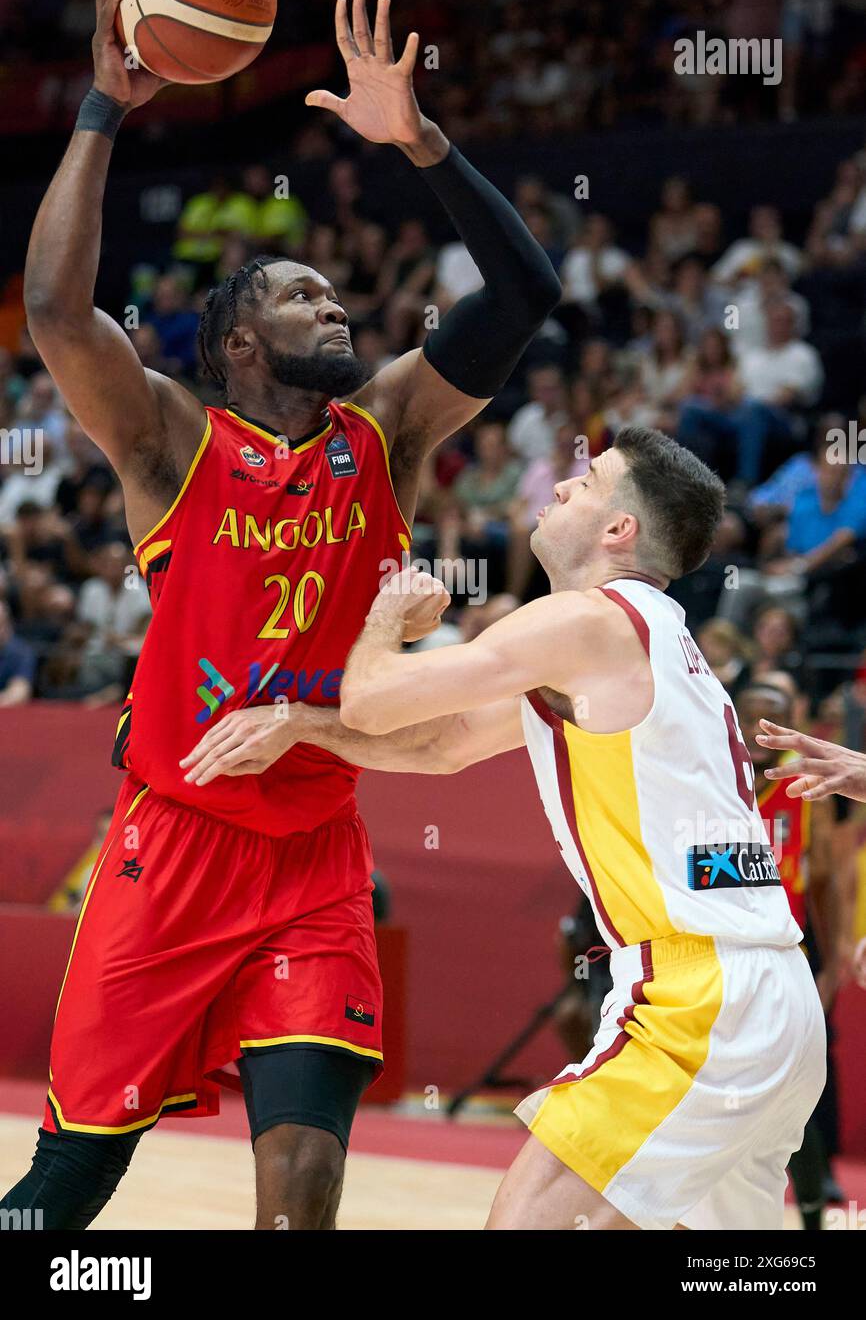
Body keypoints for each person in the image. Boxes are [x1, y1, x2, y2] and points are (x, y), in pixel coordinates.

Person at [1, 0, 560, 1233]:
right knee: (64, 1192)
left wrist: (420, 142)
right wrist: (101, 103)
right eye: (301, 294)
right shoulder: (168, 443)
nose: (336, 304)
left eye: (334, 290)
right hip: (171, 848)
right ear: (239, 341)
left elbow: (526, 296)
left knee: (301, 1201)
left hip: (316, 858)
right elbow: (52, 308)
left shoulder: (388, 434)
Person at [187, 427, 826, 1230]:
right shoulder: (656, 639)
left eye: (587, 482)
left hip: (700, 999)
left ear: (618, 530)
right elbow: (441, 741)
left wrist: (389, 614)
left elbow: (374, 697)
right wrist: (298, 724)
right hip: (774, 1000)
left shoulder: (586, 623)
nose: (561, 487)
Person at [736, 681, 840, 1229]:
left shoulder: (802, 787)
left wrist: (836, 959)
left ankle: (814, 1204)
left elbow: (825, 880)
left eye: (770, 718)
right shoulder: (714, 779)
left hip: (789, 950)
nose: (759, 728)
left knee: (793, 1093)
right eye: (749, 714)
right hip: (723, 954)